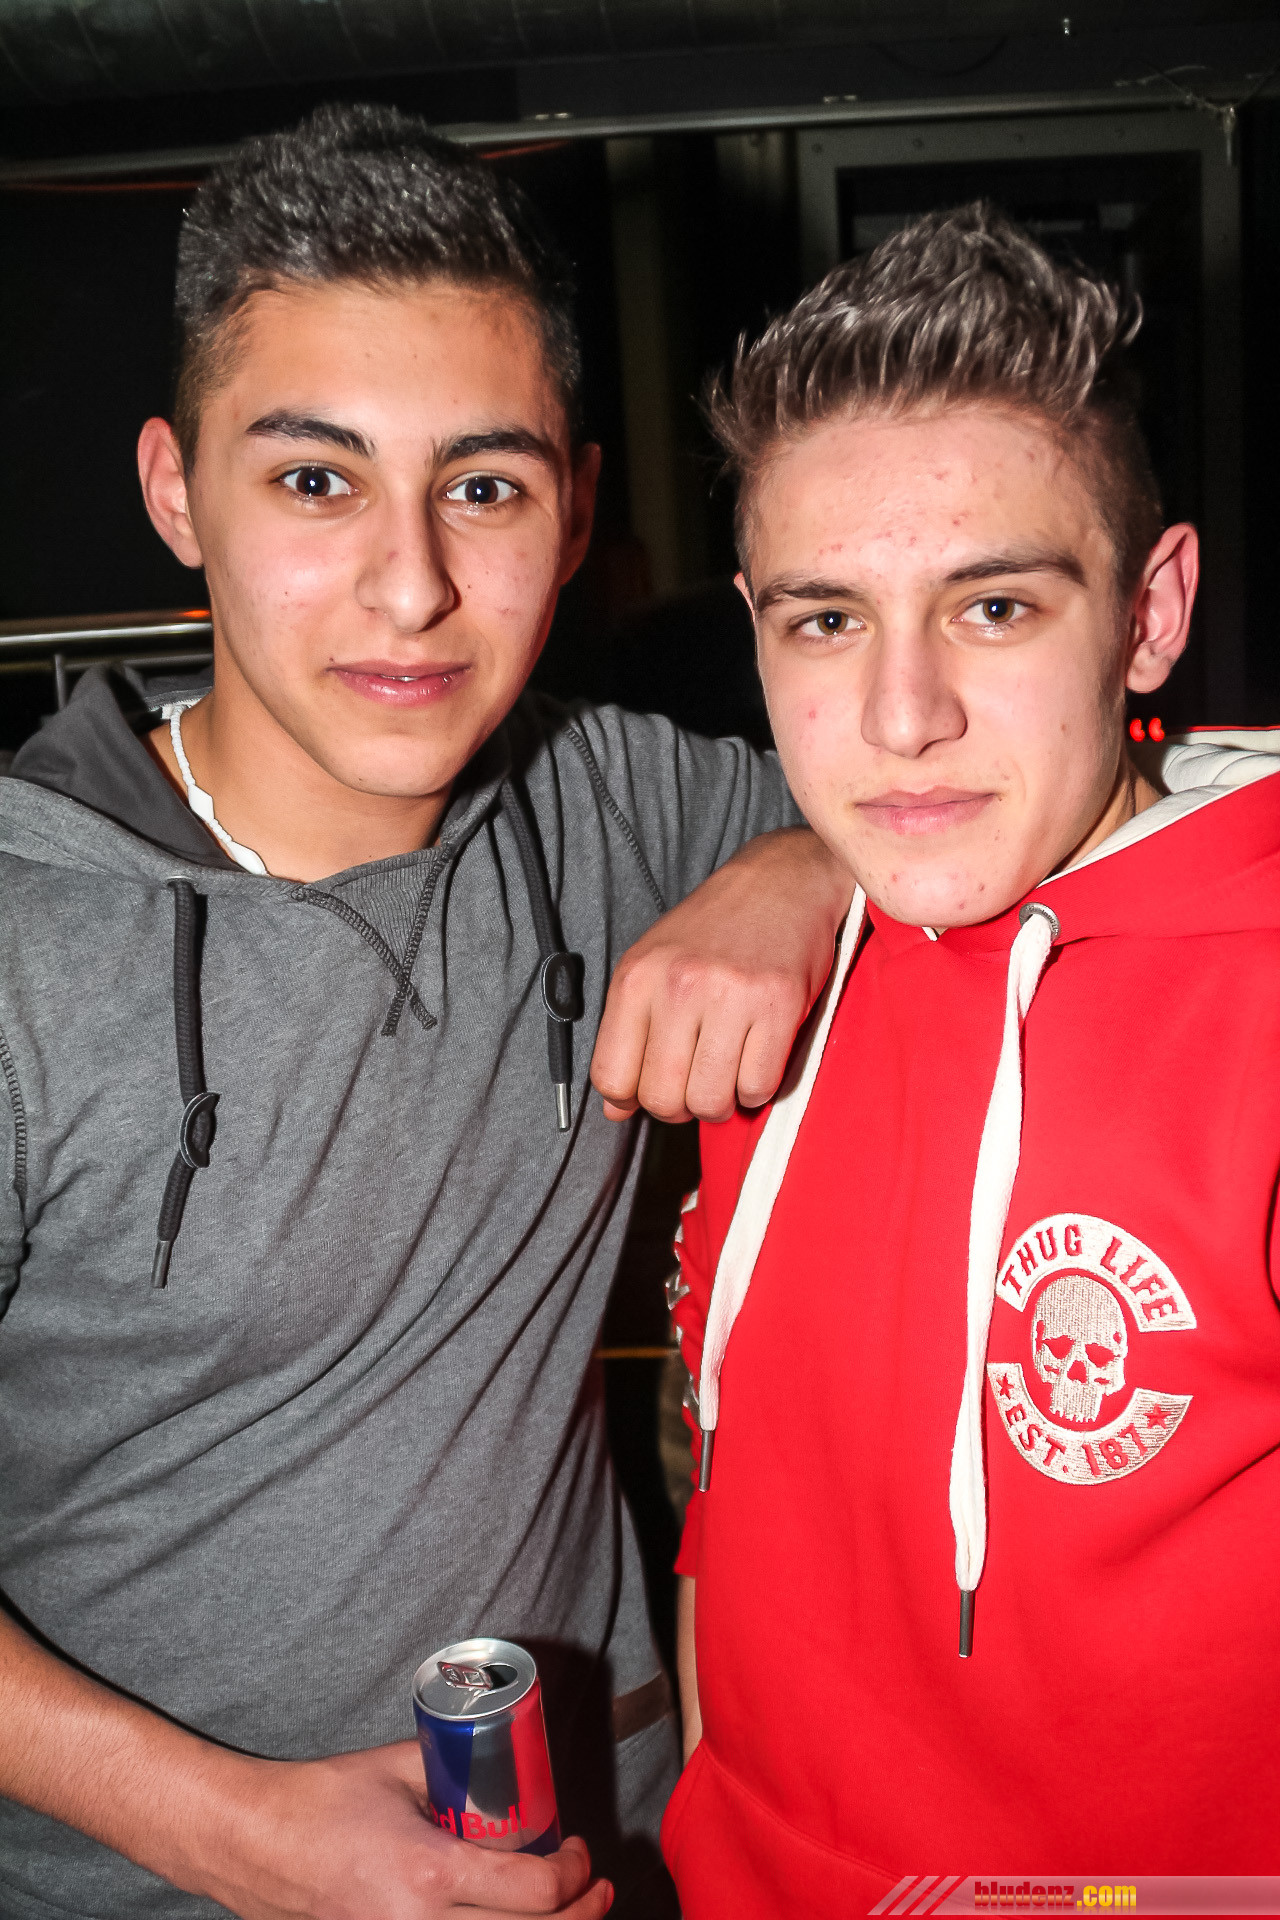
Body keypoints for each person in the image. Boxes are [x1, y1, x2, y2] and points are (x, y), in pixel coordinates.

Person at [0, 105, 854, 1920]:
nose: (414, 587)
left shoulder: (613, 799)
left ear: (579, 509)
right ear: (175, 490)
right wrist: (239, 1837)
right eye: (316, 483)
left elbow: (1027, 787)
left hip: (596, 1847)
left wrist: (809, 863)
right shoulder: (17, 936)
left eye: (483, 488)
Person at [665, 204, 1280, 1916]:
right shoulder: (765, 981)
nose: (901, 717)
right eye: (826, 622)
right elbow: (736, 1495)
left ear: (1150, 614)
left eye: (994, 606)